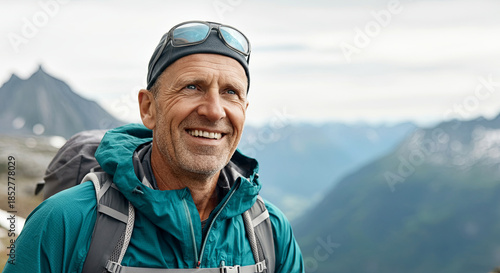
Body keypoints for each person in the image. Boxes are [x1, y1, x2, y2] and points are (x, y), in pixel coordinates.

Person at [3, 21, 304, 272]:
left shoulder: (271, 232)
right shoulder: (63, 222)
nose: (214, 111)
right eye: (192, 87)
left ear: (244, 110)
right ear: (148, 108)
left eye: (230, 92)